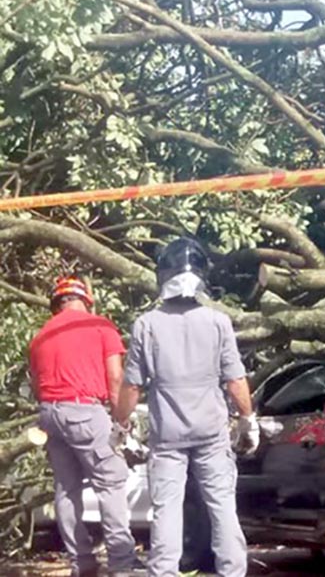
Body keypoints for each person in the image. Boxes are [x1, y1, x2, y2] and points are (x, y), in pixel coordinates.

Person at [113, 237, 259, 577]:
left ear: (163, 276)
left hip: (168, 437)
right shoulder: (218, 321)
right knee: (222, 506)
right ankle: (232, 571)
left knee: (167, 510)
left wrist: (119, 428)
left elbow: (132, 385)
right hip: (211, 432)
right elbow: (236, 380)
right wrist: (247, 420)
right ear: (202, 276)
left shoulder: (146, 325)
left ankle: (163, 572)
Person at [30, 277, 142, 577]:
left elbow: (36, 385)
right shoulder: (101, 326)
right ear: (86, 299)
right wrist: (121, 422)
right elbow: (116, 379)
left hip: (50, 414)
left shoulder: (40, 336)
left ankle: (82, 564)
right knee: (111, 482)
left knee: (66, 490)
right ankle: (121, 563)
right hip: (85, 410)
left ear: (57, 304)